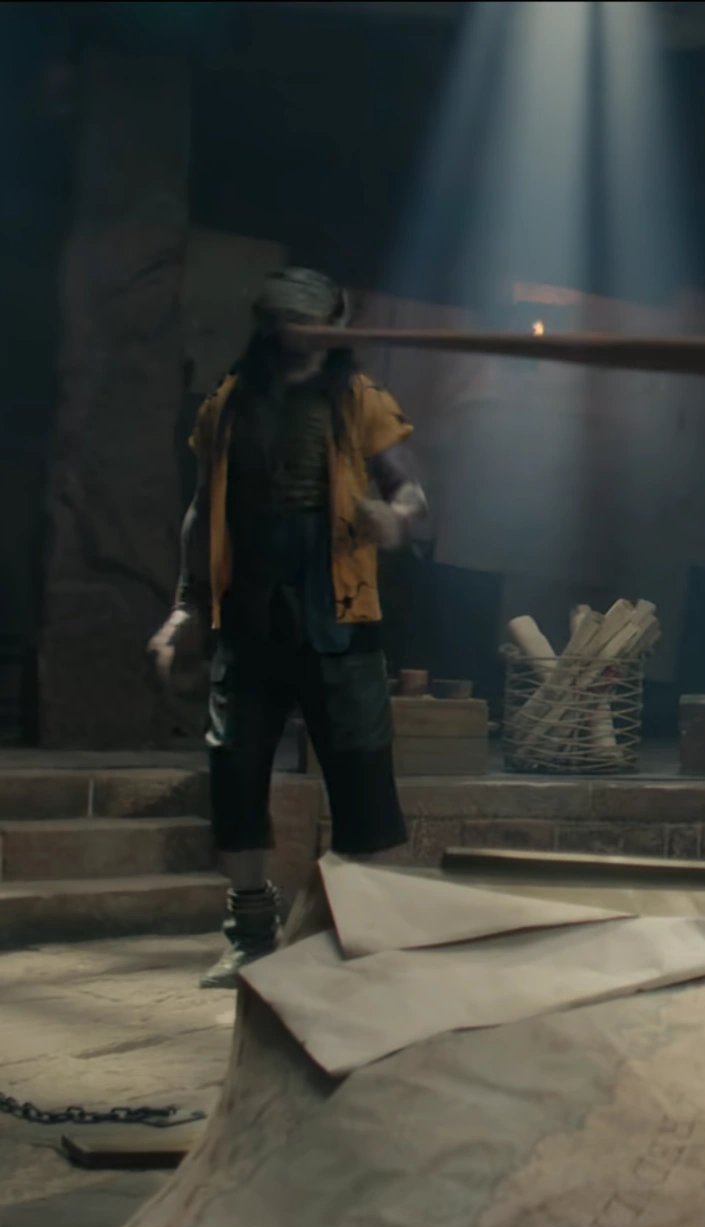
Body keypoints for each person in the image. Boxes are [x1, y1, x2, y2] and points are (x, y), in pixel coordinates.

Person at [147, 267, 428, 989]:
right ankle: (250, 931)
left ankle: (367, 937)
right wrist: (184, 605)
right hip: (248, 618)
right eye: (286, 322)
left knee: (362, 777)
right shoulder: (229, 403)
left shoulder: (360, 399)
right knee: (235, 774)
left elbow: (410, 489)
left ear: (333, 328)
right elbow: (201, 510)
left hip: (337, 615)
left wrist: (394, 519)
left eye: (310, 324)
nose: (297, 336)